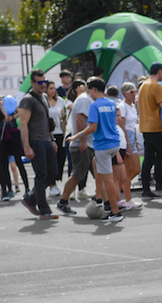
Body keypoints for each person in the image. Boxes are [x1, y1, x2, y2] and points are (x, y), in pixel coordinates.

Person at [65, 77, 124, 222]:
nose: (88, 94)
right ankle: (101, 199)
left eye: (89, 90)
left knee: (108, 179)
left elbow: (93, 127)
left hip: (103, 145)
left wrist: (76, 137)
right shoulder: (111, 103)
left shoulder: (95, 105)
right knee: (96, 165)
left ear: (94, 90)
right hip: (114, 142)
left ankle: (115, 212)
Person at [17, 69, 59, 219]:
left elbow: (47, 122)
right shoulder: (28, 100)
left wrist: (52, 139)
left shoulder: (45, 97)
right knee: (42, 175)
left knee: (53, 173)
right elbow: (23, 124)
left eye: (44, 82)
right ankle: (43, 208)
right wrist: (26, 147)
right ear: (32, 83)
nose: (43, 85)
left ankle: (31, 198)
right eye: (40, 82)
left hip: (46, 141)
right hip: (36, 141)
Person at [57, 79, 94, 214]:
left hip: (88, 144)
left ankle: (106, 202)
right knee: (77, 175)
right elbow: (80, 120)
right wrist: (83, 140)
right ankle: (63, 201)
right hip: (82, 145)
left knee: (100, 174)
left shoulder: (86, 99)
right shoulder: (84, 99)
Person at [137, 62, 162, 198]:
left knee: (149, 159)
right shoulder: (157, 87)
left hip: (145, 127)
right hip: (157, 127)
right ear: (160, 71)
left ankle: (146, 188)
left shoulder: (143, 85)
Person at [118, 82, 141, 210]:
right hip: (126, 137)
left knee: (136, 169)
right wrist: (128, 144)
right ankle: (127, 199)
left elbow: (133, 125)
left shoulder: (131, 106)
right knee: (128, 170)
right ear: (125, 93)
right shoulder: (123, 106)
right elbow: (122, 126)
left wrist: (135, 141)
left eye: (135, 91)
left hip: (132, 137)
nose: (134, 94)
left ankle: (119, 188)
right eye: (132, 92)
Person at [45, 81, 69, 195]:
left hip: (60, 132)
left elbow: (64, 116)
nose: (52, 90)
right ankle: (52, 184)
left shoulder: (60, 100)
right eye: (50, 88)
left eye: (54, 88)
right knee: (51, 161)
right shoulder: (44, 102)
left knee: (60, 159)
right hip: (49, 134)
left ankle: (56, 180)